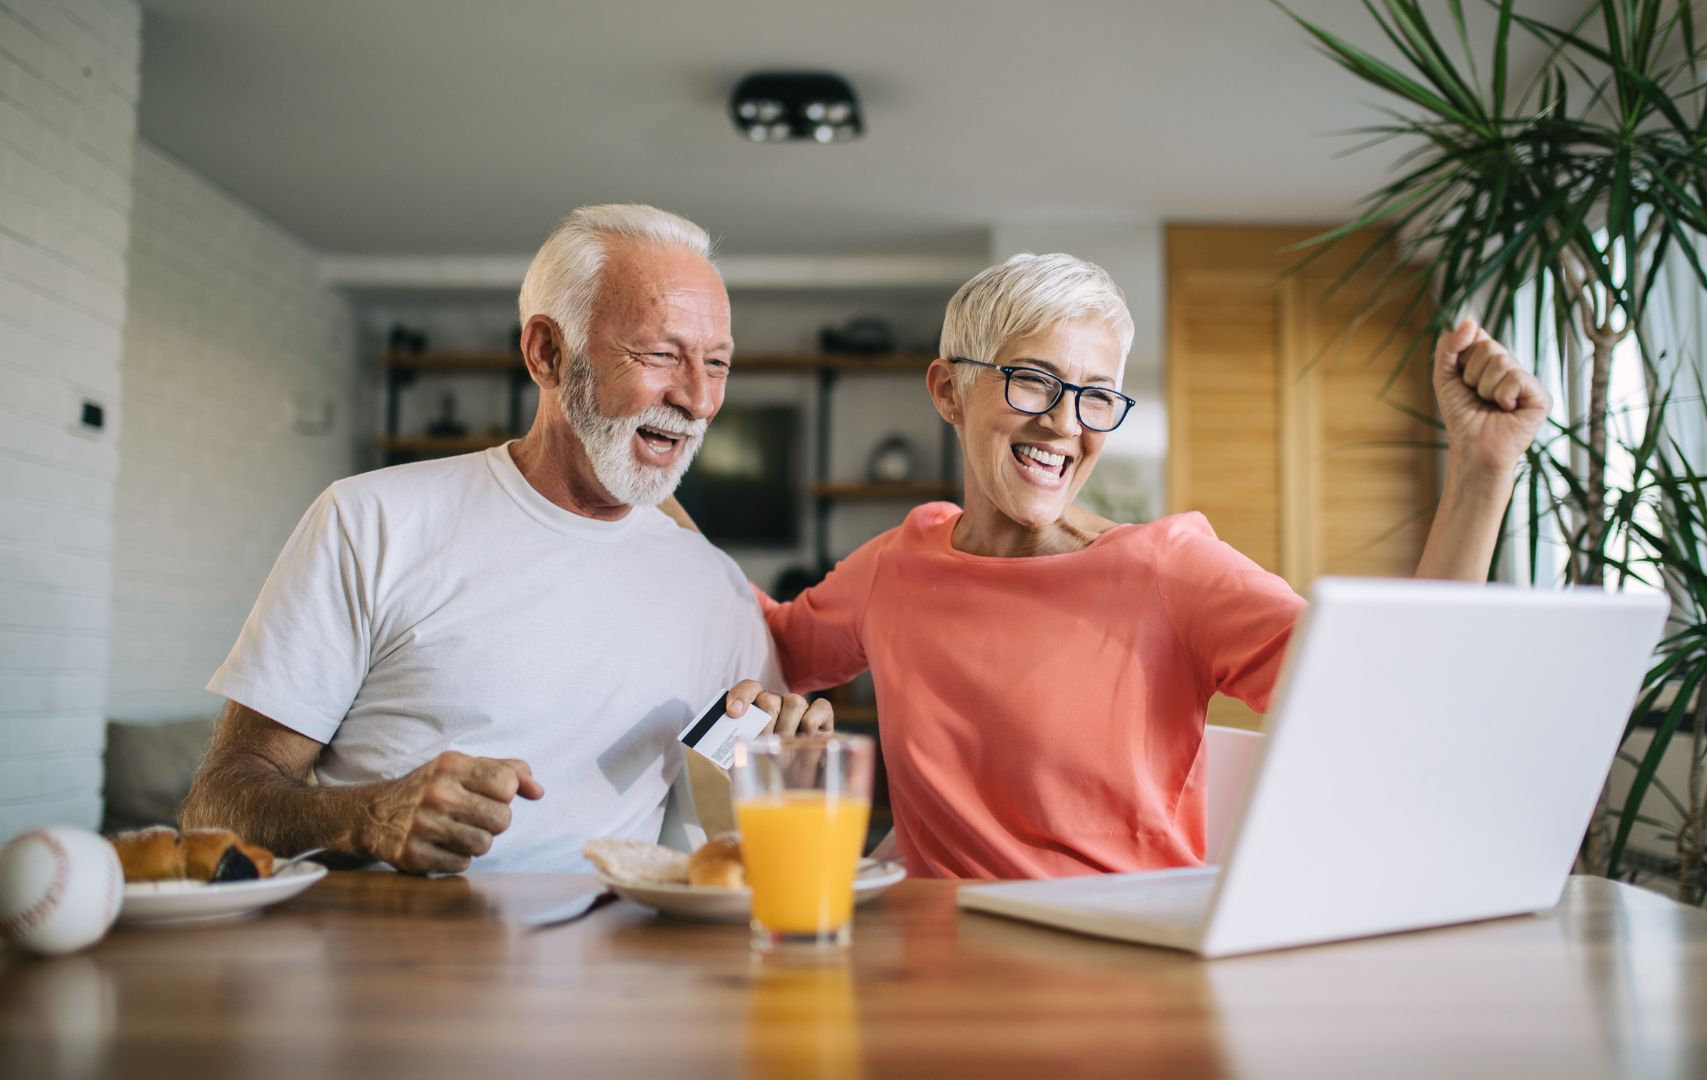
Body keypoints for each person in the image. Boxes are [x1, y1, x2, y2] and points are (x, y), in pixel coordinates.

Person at [753, 253, 1550, 879]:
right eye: (1033, 381)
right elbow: (770, 642)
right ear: (948, 391)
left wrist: (1482, 471)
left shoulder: (1170, 570)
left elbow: (1393, 702)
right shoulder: (900, 565)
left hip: (1126, 972)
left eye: (1097, 395)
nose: (1065, 424)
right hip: (940, 978)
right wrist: (649, 488)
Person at [180, 205, 829, 873]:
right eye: (660, 354)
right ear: (547, 353)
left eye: (716, 363)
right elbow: (218, 805)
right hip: (388, 963)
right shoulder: (371, 521)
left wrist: (794, 763)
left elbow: (743, 827)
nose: (697, 399)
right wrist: (369, 817)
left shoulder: (714, 586)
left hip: (617, 967)